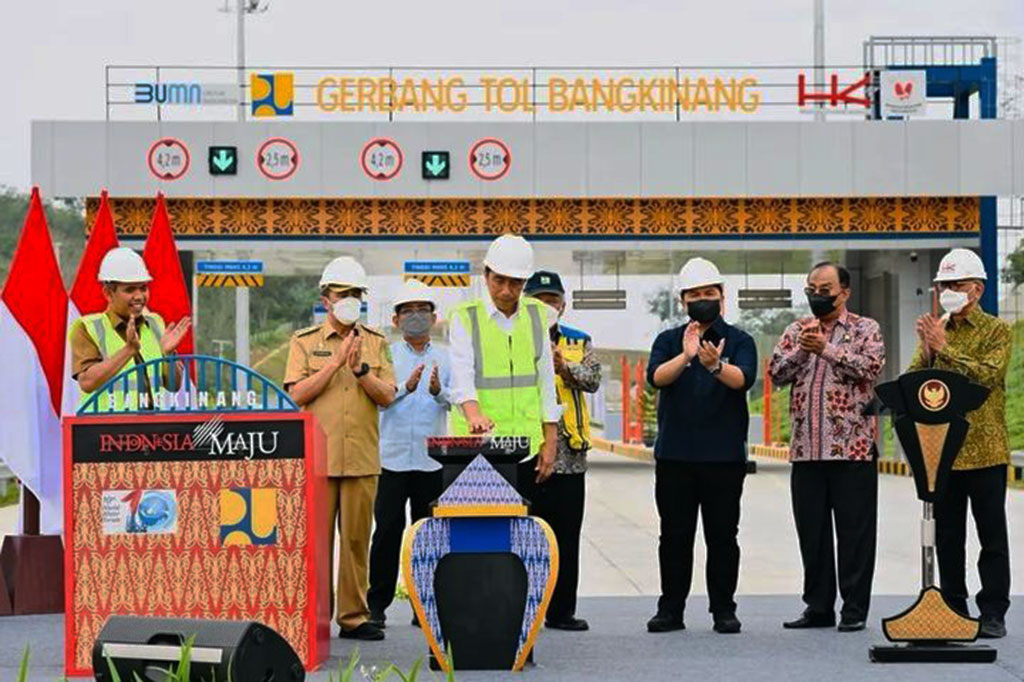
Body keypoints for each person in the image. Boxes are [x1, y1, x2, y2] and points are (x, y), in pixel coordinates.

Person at [284, 256, 396, 641]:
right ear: (326, 298)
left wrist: (362, 370)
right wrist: (333, 365)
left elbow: (388, 397)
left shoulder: (377, 343)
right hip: (318, 459)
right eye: (342, 293)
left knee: (355, 542)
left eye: (356, 294)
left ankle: (353, 617)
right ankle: (316, 618)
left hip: (362, 457)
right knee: (316, 544)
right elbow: (296, 394)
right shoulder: (304, 342)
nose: (350, 300)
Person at [769, 262, 885, 633]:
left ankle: (853, 609)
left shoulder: (866, 329)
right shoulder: (796, 330)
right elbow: (776, 373)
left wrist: (828, 349)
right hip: (806, 450)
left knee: (855, 534)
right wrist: (804, 350)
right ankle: (818, 607)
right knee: (813, 534)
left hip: (852, 450)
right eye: (811, 289)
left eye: (825, 289)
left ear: (844, 292)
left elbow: (871, 368)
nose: (817, 295)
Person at [645, 257, 757, 635]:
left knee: (723, 537)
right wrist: (687, 356)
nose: (702, 299)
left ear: (722, 297)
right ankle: (670, 609)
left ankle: (724, 609)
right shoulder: (667, 340)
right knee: (674, 537)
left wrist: (713, 365)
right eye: (694, 294)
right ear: (683, 300)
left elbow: (743, 379)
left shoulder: (740, 340)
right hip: (675, 456)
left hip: (723, 458)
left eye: (709, 293)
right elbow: (657, 378)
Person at [908, 248, 1012, 639]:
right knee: (949, 536)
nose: (948, 291)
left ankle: (993, 612)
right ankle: (953, 606)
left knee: (991, 536)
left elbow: (986, 377)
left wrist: (946, 350)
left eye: (957, 284)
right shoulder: (937, 330)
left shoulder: (997, 331)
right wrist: (932, 349)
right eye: (943, 285)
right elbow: (913, 380)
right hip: (944, 452)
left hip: (985, 451)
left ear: (978, 289)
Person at [447, 234, 560, 497]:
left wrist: (550, 439)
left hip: (527, 447)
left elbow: (545, 379)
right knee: (484, 532)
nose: (507, 290)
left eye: (516, 282)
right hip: (479, 447)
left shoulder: (537, 315)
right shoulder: (465, 318)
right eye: (499, 280)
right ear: (486, 275)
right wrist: (473, 414)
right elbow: (462, 374)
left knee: (524, 531)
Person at [367, 279, 450, 629]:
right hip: (391, 458)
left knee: (428, 534)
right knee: (386, 532)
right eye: (408, 311)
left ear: (434, 317)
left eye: (422, 310)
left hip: (431, 460)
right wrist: (405, 388)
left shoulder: (446, 357)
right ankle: (377, 605)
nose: (415, 316)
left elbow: (458, 400)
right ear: (396, 319)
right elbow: (377, 401)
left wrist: (437, 392)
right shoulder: (385, 356)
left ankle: (424, 604)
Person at [523, 270, 601, 632]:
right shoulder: (513, 338)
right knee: (526, 536)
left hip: (570, 455)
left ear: (563, 304)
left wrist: (563, 366)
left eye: (552, 300)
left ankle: (562, 611)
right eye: (539, 300)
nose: (546, 306)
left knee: (566, 537)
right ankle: (525, 607)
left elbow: (593, 379)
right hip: (527, 453)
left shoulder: (579, 341)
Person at [69, 246, 191, 410]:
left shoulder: (155, 323)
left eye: (143, 288)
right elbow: (87, 382)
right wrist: (129, 350)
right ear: (108, 293)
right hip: (104, 430)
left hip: (148, 428)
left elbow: (173, 385)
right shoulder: (87, 327)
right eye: (130, 289)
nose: (139, 296)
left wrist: (168, 355)